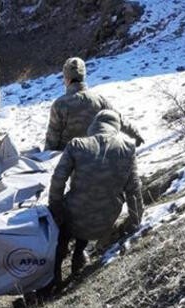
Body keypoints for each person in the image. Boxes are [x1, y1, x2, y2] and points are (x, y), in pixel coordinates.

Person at [48, 110, 144, 291]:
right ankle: (78, 258)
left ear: (94, 125)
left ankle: (55, 276)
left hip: (72, 219)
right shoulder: (127, 150)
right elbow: (134, 189)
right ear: (116, 128)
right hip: (104, 221)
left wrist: (55, 207)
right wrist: (135, 221)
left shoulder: (77, 145)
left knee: (65, 228)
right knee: (92, 204)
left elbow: (58, 179)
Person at [45, 57, 145, 151]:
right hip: (94, 155)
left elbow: (53, 136)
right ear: (83, 77)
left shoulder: (60, 104)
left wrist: (45, 157)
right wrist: (135, 134)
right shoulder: (98, 100)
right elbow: (118, 118)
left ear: (67, 79)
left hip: (67, 157)